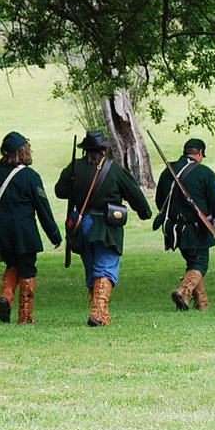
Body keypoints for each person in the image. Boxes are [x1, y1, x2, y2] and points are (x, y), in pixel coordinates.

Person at [54, 130, 152, 327]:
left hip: (82, 226)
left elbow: (60, 191)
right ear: (104, 150)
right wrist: (145, 213)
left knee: (93, 269)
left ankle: (101, 314)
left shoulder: (74, 167)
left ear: (85, 150)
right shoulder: (114, 169)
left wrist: (76, 184)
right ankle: (98, 314)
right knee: (105, 269)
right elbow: (136, 196)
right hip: (106, 227)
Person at [0, 131, 62, 324]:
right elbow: (43, 208)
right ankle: (25, 316)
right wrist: (54, 235)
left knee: (12, 265)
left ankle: (6, 297)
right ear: (22, 151)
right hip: (24, 233)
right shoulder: (30, 176)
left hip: (2, 232)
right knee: (27, 268)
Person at [153, 138, 215, 311]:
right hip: (196, 227)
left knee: (193, 263)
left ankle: (202, 305)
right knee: (200, 264)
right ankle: (183, 292)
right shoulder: (205, 172)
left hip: (174, 229)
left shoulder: (168, 171)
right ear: (200, 153)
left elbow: (160, 201)